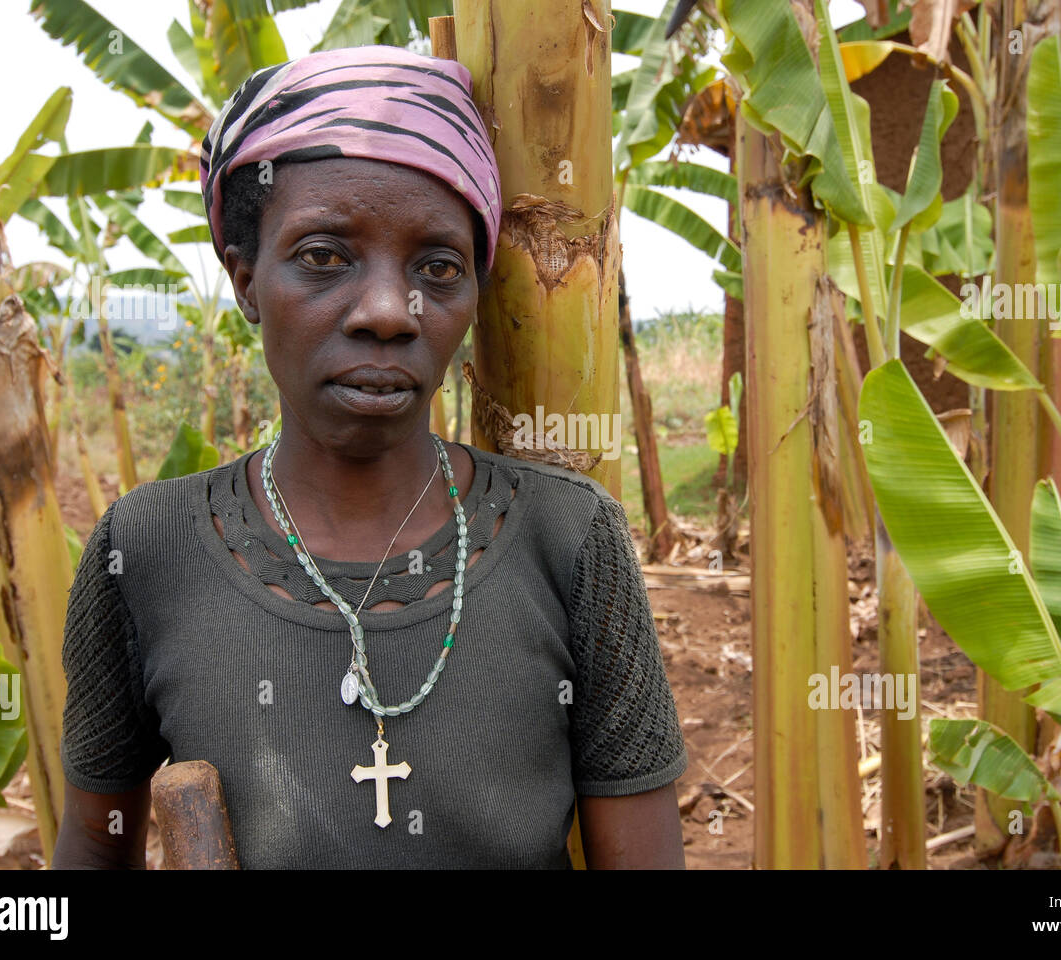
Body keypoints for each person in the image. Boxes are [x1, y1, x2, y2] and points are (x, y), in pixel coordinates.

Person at [52, 44, 687, 870]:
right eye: (324, 257)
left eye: (438, 267)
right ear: (245, 280)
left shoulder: (572, 541)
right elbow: (93, 852)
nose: (390, 310)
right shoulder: (142, 549)